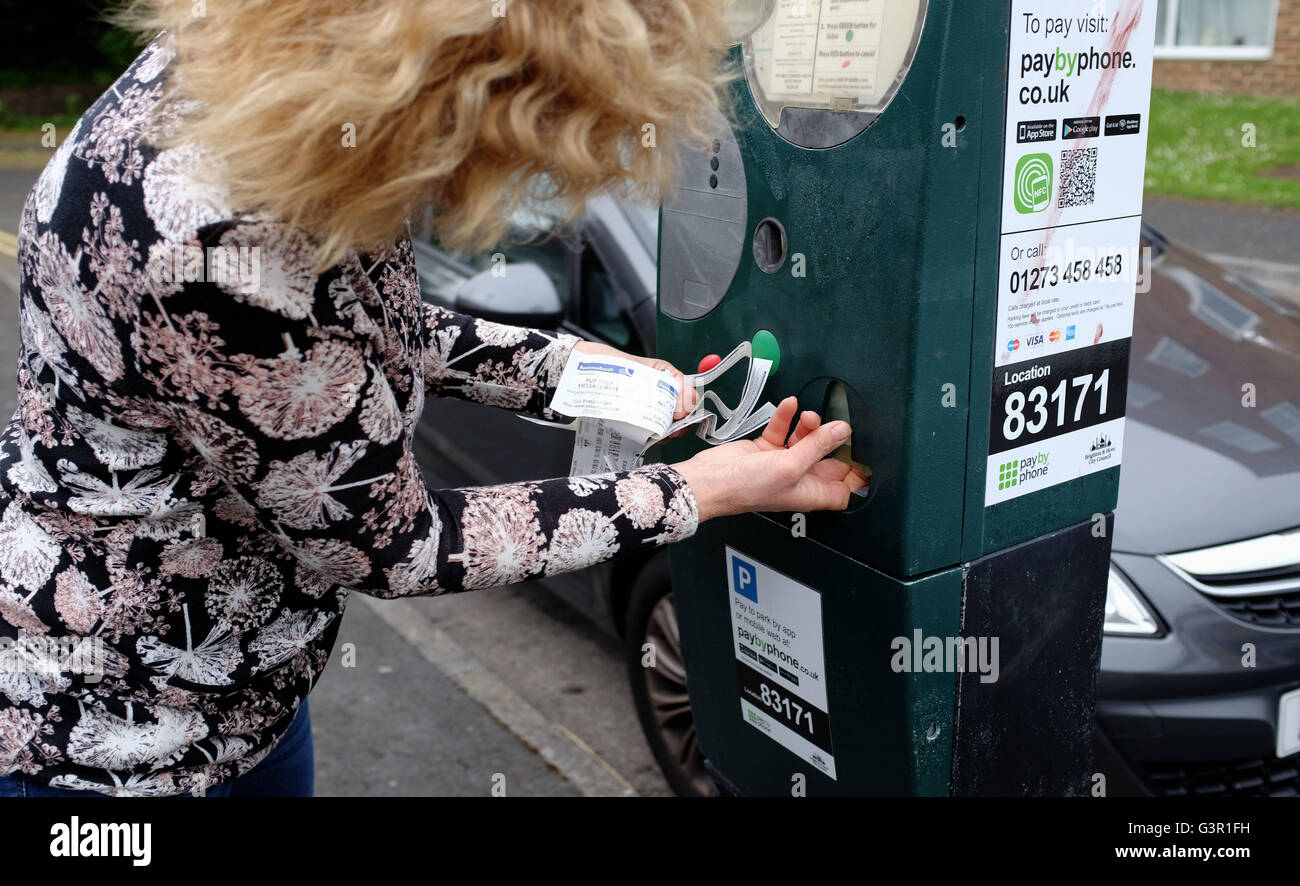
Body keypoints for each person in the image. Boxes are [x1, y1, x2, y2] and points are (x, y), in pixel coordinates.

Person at [0, 1, 865, 797]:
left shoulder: (265, 86)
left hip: (245, 685)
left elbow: (364, 330)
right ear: (451, 97)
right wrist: (701, 491)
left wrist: (595, 377)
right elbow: (395, 544)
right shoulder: (211, 249)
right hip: (115, 737)